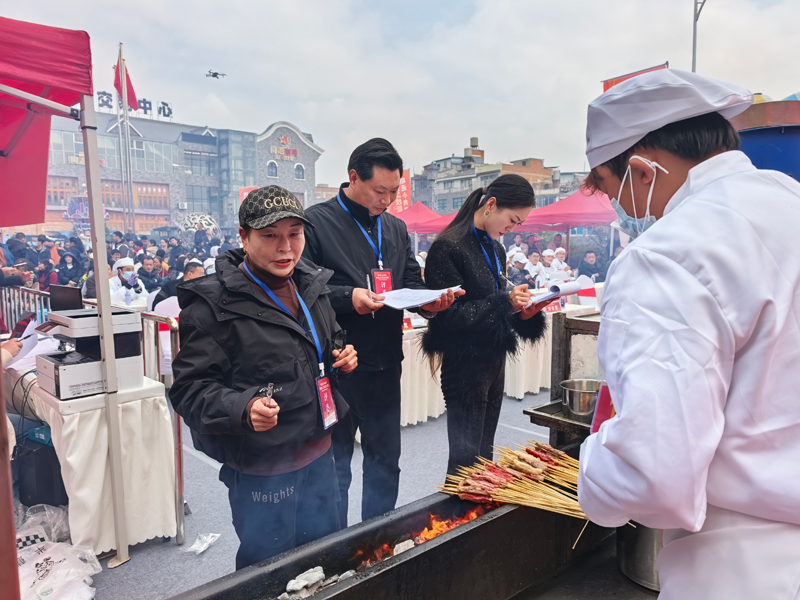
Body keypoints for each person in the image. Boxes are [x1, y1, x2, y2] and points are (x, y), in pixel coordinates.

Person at [577, 69, 800, 599]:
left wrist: (593, 467)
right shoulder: (788, 199)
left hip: (745, 567)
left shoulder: (666, 254)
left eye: (609, 189)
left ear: (641, 170)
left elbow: (655, 473)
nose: (622, 209)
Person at [170, 186, 357, 570]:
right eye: (270, 235)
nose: (285, 247)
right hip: (264, 471)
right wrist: (243, 407)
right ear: (244, 236)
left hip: (322, 454)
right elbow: (188, 390)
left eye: (294, 233)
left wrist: (343, 354)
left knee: (326, 559)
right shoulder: (212, 307)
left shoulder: (311, 284)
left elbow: (329, 338)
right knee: (268, 573)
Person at [302, 138, 459, 526]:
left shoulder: (395, 227)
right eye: (379, 191)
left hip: (386, 361)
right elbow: (302, 290)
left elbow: (409, 281)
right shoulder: (316, 222)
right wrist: (349, 297)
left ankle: (377, 539)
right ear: (353, 177)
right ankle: (333, 546)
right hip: (338, 365)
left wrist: (429, 302)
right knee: (335, 464)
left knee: (385, 460)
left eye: (393, 191)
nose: (387, 200)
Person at [422, 174, 550, 476]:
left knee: (484, 457)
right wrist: (504, 303)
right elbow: (448, 317)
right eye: (513, 220)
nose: (513, 229)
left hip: (494, 361)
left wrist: (523, 313)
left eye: (519, 224)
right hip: (464, 364)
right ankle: (457, 507)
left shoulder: (496, 248)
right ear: (491, 204)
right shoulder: (447, 247)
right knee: (465, 462)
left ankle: (476, 506)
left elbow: (494, 309)